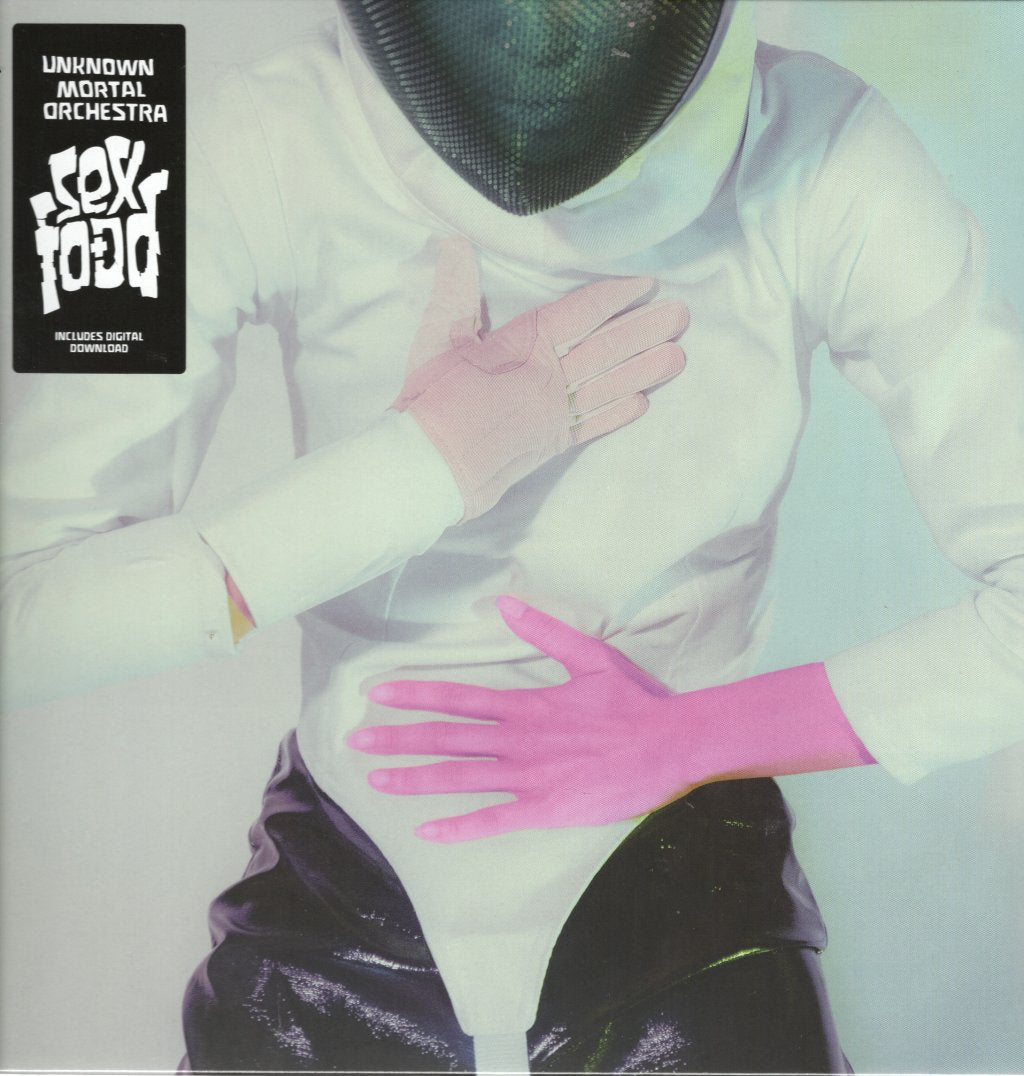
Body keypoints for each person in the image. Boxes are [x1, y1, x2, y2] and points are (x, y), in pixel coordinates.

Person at [3, 1, 1022, 1072]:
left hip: (693, 915)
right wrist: (427, 461)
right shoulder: (184, 131)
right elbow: (21, 612)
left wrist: (691, 737)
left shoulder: (827, 144)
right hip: (334, 920)